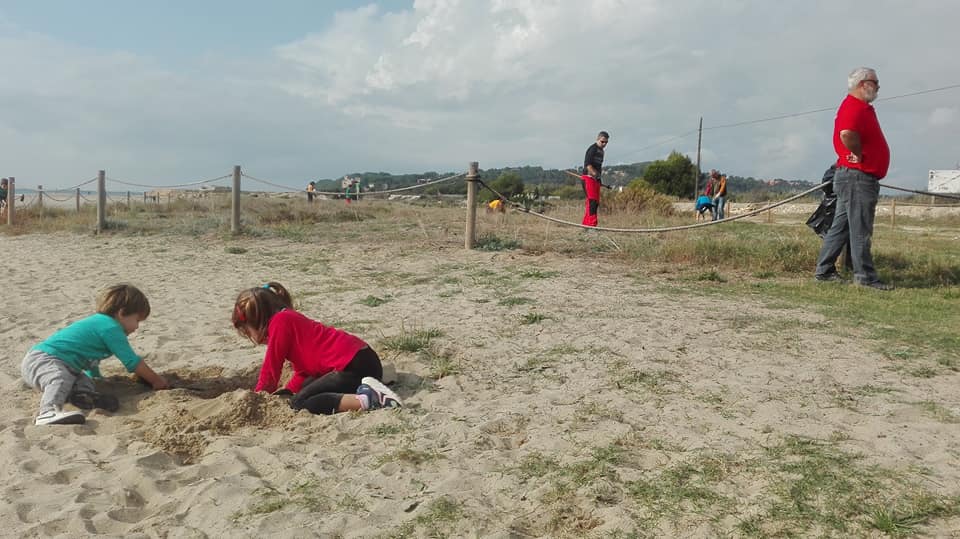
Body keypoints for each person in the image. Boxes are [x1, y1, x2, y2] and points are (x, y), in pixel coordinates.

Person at [231, 282, 401, 415]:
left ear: (257, 320)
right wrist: (288, 391)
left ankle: (368, 399)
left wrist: (259, 398)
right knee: (303, 389)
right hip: (362, 359)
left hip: (353, 367)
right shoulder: (288, 319)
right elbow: (303, 372)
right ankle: (369, 386)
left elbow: (270, 371)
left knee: (299, 403)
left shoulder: (279, 323)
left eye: (246, 331)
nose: (249, 336)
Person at [21, 284, 170, 426]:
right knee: (60, 378)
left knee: (85, 380)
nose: (137, 327)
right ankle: (47, 412)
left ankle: (82, 396)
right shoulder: (111, 327)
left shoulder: (103, 324)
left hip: (67, 366)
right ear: (122, 313)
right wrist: (156, 380)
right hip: (44, 360)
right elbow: (131, 361)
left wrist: (95, 376)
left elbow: (90, 357)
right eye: (137, 320)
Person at [814, 67, 892, 290]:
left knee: (842, 227)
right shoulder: (854, 106)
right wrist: (858, 155)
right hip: (858, 178)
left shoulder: (861, 107)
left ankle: (824, 270)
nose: (878, 87)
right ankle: (865, 277)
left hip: (853, 177)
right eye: (875, 83)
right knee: (861, 229)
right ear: (863, 84)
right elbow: (846, 133)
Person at [580, 131, 609, 227]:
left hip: (596, 179)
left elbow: (599, 166)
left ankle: (586, 225)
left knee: (595, 203)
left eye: (606, 142)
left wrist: (599, 179)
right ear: (598, 139)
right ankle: (592, 225)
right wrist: (594, 174)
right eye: (602, 141)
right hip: (588, 178)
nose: (604, 144)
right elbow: (588, 165)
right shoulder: (592, 149)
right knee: (592, 202)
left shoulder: (602, 152)